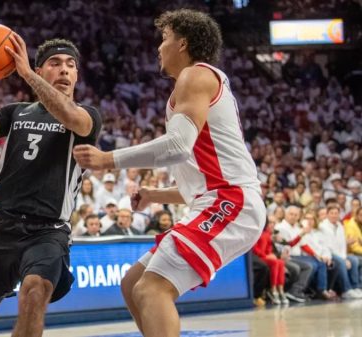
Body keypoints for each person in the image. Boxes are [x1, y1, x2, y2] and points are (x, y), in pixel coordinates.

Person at [73, 9, 265, 337]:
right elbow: (202, 177)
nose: (158, 48)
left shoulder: (196, 76)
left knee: (152, 289)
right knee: (133, 283)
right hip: (221, 199)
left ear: (183, 44)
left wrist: (108, 160)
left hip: (231, 202)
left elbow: (177, 146)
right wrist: (155, 195)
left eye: (164, 39)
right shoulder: (192, 86)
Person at [0, 33, 101, 337]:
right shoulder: (16, 112)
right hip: (3, 227)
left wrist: (27, 75)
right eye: (55, 63)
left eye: (71, 65)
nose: (64, 69)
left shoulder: (86, 117)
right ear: (41, 69)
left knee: (34, 292)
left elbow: (71, 116)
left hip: (48, 231)